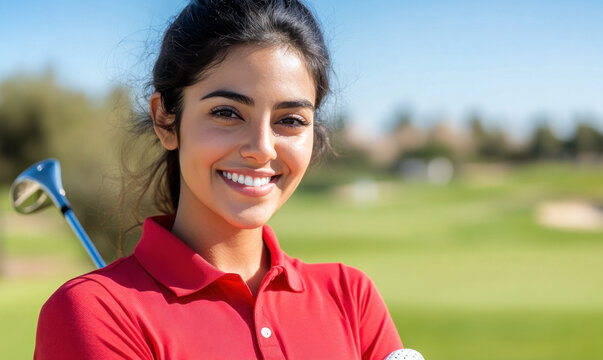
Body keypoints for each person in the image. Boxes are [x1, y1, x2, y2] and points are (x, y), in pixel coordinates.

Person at [34, 0, 403, 358]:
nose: (262, 148)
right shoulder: (93, 311)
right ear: (166, 120)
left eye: (290, 120)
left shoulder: (351, 298)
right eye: (227, 113)